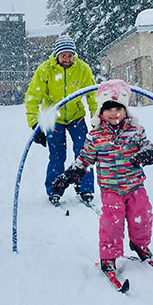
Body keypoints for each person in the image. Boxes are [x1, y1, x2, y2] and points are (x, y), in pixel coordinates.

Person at [52, 79, 153, 276]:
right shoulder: (95, 136)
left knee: (142, 217)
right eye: (109, 108)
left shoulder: (135, 131)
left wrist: (147, 154)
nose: (114, 113)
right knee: (112, 223)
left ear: (126, 110)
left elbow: (148, 147)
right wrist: (68, 176)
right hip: (111, 190)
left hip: (135, 186)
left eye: (119, 108)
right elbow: (84, 159)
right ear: (101, 111)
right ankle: (108, 257)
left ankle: (140, 245)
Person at [25, 33, 97, 206]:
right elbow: (33, 97)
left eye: (70, 55)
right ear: (57, 54)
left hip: (76, 117)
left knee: (84, 153)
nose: (67, 58)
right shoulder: (45, 70)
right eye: (63, 55)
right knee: (57, 155)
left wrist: (97, 120)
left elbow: (93, 96)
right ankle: (55, 190)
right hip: (53, 118)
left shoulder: (82, 68)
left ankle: (85, 187)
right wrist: (35, 124)